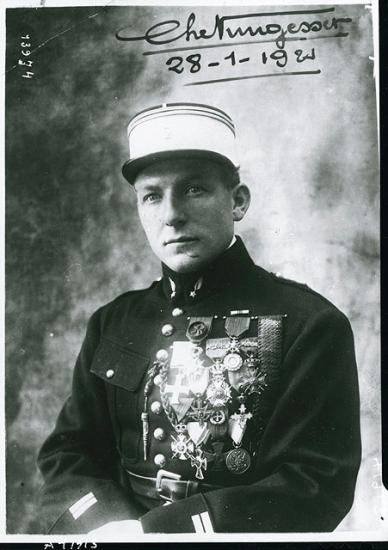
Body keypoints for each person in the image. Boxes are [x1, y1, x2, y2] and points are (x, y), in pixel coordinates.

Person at [37, 102, 361, 535]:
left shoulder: (310, 324)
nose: (171, 215)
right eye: (152, 196)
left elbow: (316, 483)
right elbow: (68, 453)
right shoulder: (113, 322)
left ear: (238, 201)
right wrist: (105, 526)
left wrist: (159, 533)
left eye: (193, 189)